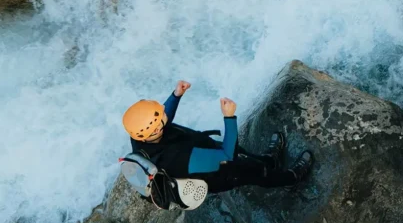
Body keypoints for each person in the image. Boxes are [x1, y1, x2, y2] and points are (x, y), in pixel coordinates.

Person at [121, 80, 314, 195]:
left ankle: (270, 160)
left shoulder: (140, 137)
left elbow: (162, 119)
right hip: (218, 172)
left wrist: (176, 95)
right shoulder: (177, 158)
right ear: (154, 130)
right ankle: (291, 178)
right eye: (160, 114)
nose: (163, 112)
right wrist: (229, 117)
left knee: (245, 154)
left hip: (203, 151)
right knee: (256, 173)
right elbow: (227, 155)